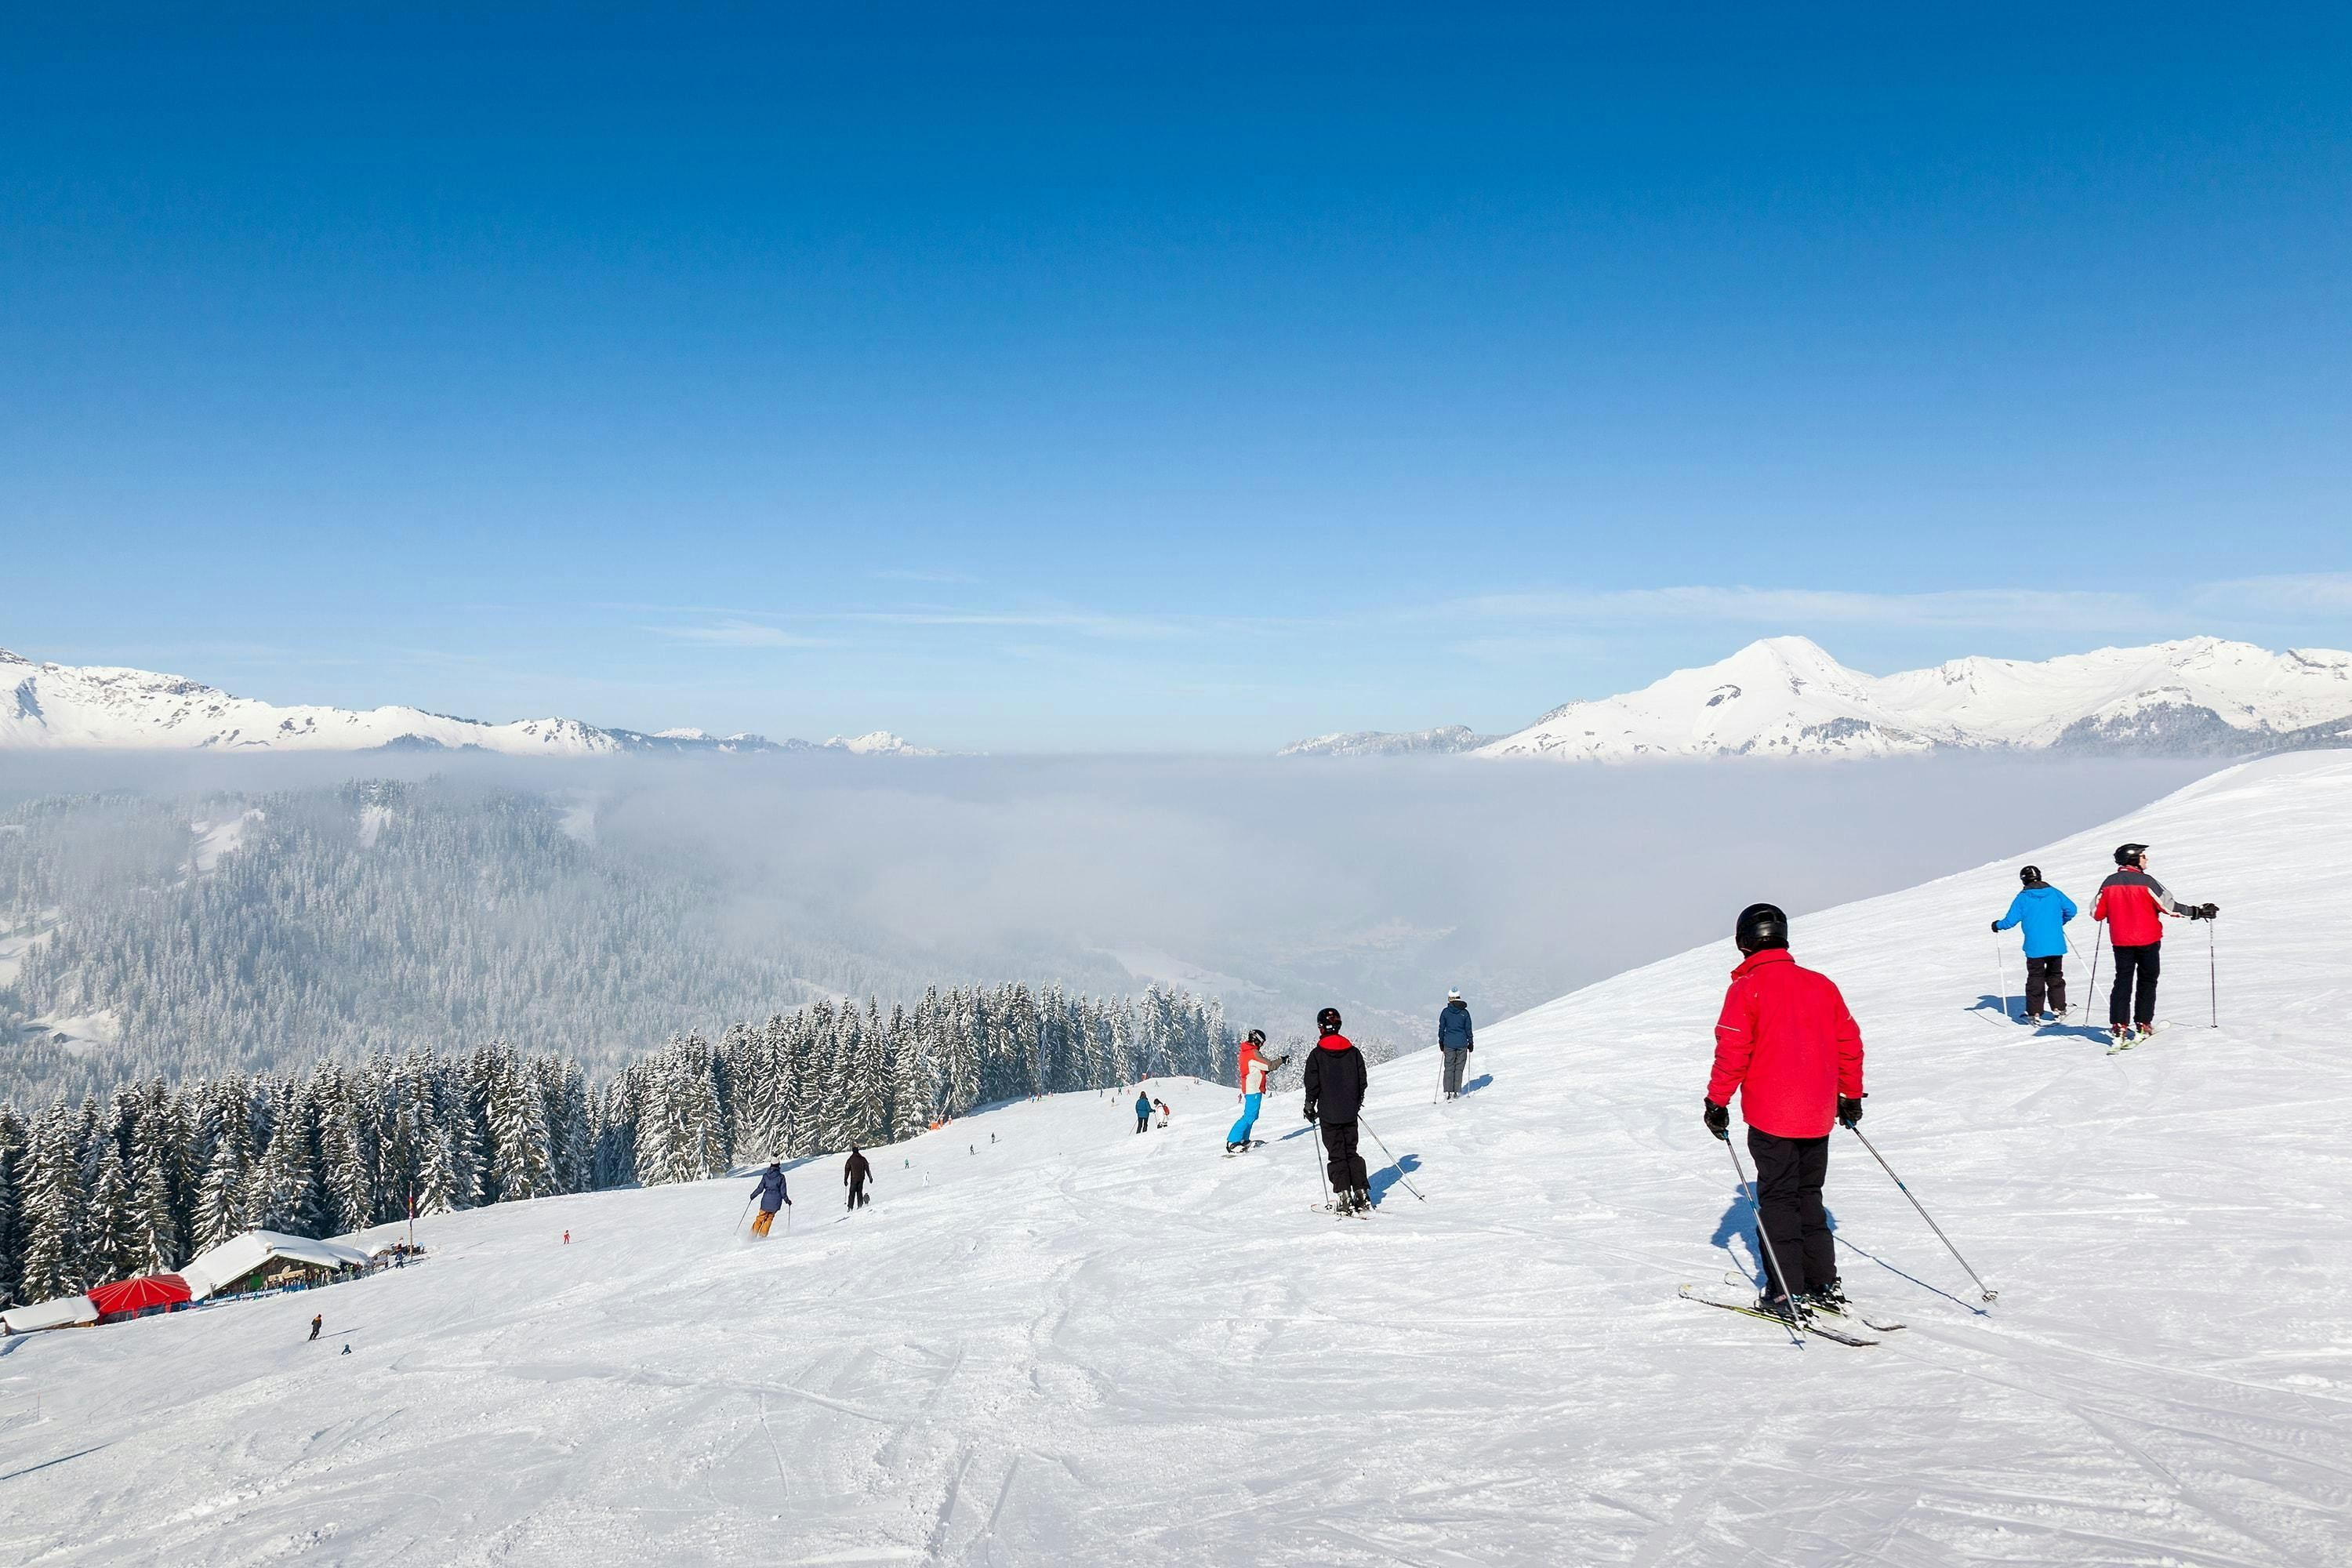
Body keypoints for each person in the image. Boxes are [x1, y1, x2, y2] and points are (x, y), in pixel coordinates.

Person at [1702, 902, 1867, 1320]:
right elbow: (1849, 1042)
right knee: (1809, 1195)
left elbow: (1733, 1050)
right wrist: (1850, 1096)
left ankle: (1785, 1291)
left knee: (1778, 1200)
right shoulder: (1820, 984)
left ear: (1743, 942)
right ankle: (1822, 1281)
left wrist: (1717, 1101)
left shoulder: (1747, 988)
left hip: (1771, 1116)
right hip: (1817, 1115)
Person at [2091, 844, 2217, 1047]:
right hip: (2147, 940)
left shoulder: (2109, 883)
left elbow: (2096, 913)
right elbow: (2170, 907)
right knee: (2147, 980)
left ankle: (2119, 1026)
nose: (2146, 859)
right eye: (2143, 856)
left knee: (2122, 981)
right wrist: (2197, 912)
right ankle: (2143, 1024)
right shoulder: (2147, 882)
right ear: (2134, 859)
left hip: (2121, 941)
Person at [1303, 1006, 1372, 1213]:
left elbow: (1312, 1084)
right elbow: (1362, 1081)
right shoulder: (1353, 1052)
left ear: (1321, 1027)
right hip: (1349, 1112)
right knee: (1351, 1152)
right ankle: (1361, 1193)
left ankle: (1344, 1196)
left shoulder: (1317, 1055)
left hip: (1329, 1113)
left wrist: (1309, 1105)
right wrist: (1356, 1102)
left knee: (1337, 1154)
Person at [1992, 865, 2078, 1022]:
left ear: (2023, 880)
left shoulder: (2023, 897)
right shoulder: (2054, 892)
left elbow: (2010, 921)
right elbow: (2072, 909)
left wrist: (1997, 925)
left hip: (2034, 946)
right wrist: (2059, 923)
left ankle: (2035, 1013)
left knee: (2035, 978)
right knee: (2055, 976)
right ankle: (2059, 1008)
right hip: (2056, 943)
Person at [1226, 1029, 1290, 1152]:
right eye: (1262, 1043)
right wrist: (1281, 1060)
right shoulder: (1253, 1053)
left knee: (1252, 1116)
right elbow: (1269, 1065)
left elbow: (1258, 1068)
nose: (1262, 1045)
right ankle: (1232, 1142)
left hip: (1250, 1087)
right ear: (1257, 1041)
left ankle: (1243, 1140)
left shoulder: (1246, 1051)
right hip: (1253, 1089)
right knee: (1249, 1116)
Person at [1438, 989, 1475, 1098]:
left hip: (1449, 1044)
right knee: (1459, 1068)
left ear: (1450, 998)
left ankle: (1448, 1091)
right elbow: (1468, 1029)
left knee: (1449, 1067)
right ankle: (1456, 1091)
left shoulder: (1445, 1012)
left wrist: (1441, 1041)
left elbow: (1441, 1028)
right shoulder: (1465, 1012)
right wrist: (1471, 1042)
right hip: (1462, 1043)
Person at [749, 1160, 791, 1238]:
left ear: (771, 1165)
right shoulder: (781, 1177)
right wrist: (787, 1201)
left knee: (760, 1218)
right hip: (776, 1202)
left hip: (766, 1201)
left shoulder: (766, 1176)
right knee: (769, 1218)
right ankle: (762, 1235)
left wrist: (753, 1195)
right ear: (778, 1165)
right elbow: (783, 1192)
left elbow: (760, 1188)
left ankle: (752, 1235)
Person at [845, 1145, 873, 1210]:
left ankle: (850, 1207)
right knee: (859, 1192)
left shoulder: (850, 1160)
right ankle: (860, 1205)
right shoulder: (862, 1159)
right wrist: (870, 1178)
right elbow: (867, 1169)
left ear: (853, 1151)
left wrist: (845, 1179)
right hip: (861, 1178)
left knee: (852, 1193)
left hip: (854, 1179)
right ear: (858, 1150)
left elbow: (847, 1170)